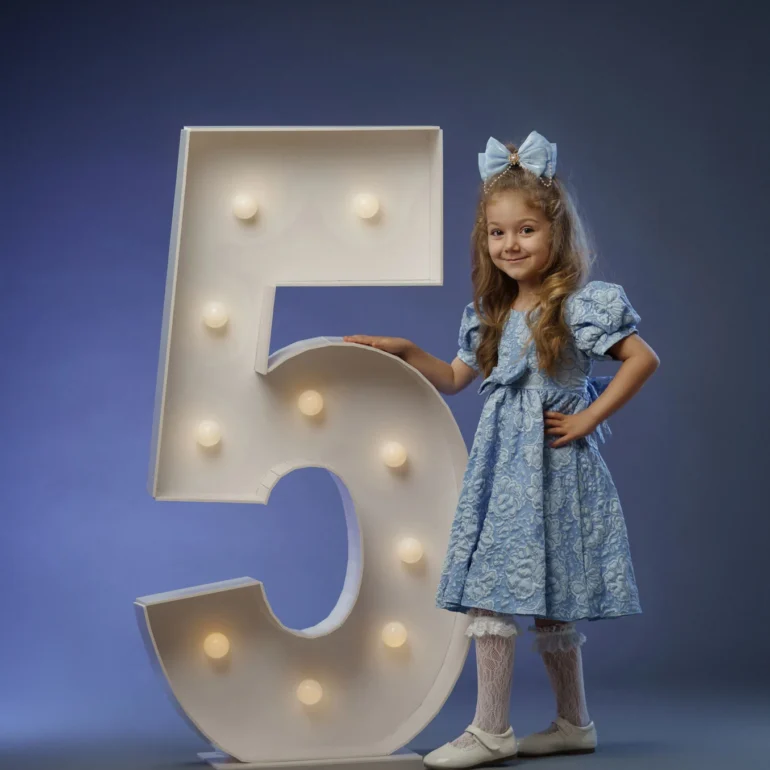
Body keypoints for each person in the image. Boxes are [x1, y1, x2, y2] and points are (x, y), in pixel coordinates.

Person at [343, 130, 660, 769]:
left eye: (526, 231)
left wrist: (588, 418)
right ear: (484, 239)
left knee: (528, 593)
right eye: (497, 233)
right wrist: (408, 351)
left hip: (553, 469)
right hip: (502, 472)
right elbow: (458, 378)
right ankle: (573, 723)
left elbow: (642, 359)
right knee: (518, 589)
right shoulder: (489, 313)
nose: (510, 245)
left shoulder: (575, 306)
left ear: (555, 233)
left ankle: (495, 729)